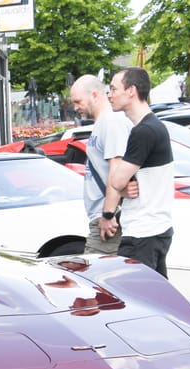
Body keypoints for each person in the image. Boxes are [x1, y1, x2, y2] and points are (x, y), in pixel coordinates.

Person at [100, 67, 174, 278]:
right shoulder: (152, 127)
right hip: (154, 229)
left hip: (144, 233)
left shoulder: (144, 131)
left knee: (134, 301)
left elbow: (116, 180)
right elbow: (127, 183)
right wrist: (123, 188)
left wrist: (121, 186)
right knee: (157, 300)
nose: (110, 95)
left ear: (131, 91)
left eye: (114, 89)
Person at [69, 74, 133, 255]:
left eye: (78, 101)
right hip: (102, 216)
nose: (75, 107)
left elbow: (116, 169)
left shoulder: (111, 121)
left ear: (95, 95)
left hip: (106, 219)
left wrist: (108, 214)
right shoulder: (103, 123)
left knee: (95, 276)